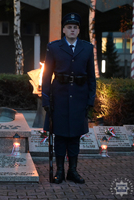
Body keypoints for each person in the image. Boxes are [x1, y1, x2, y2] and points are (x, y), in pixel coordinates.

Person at [42, 13, 96, 184]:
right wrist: (45, 100)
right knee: (60, 135)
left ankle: (72, 170)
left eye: (75, 27)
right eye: (69, 27)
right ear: (64, 29)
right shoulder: (54, 47)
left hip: (79, 97)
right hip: (59, 97)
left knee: (74, 136)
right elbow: (46, 76)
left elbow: (92, 77)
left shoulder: (87, 48)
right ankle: (59, 171)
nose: (72, 30)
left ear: (79, 30)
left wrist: (90, 100)